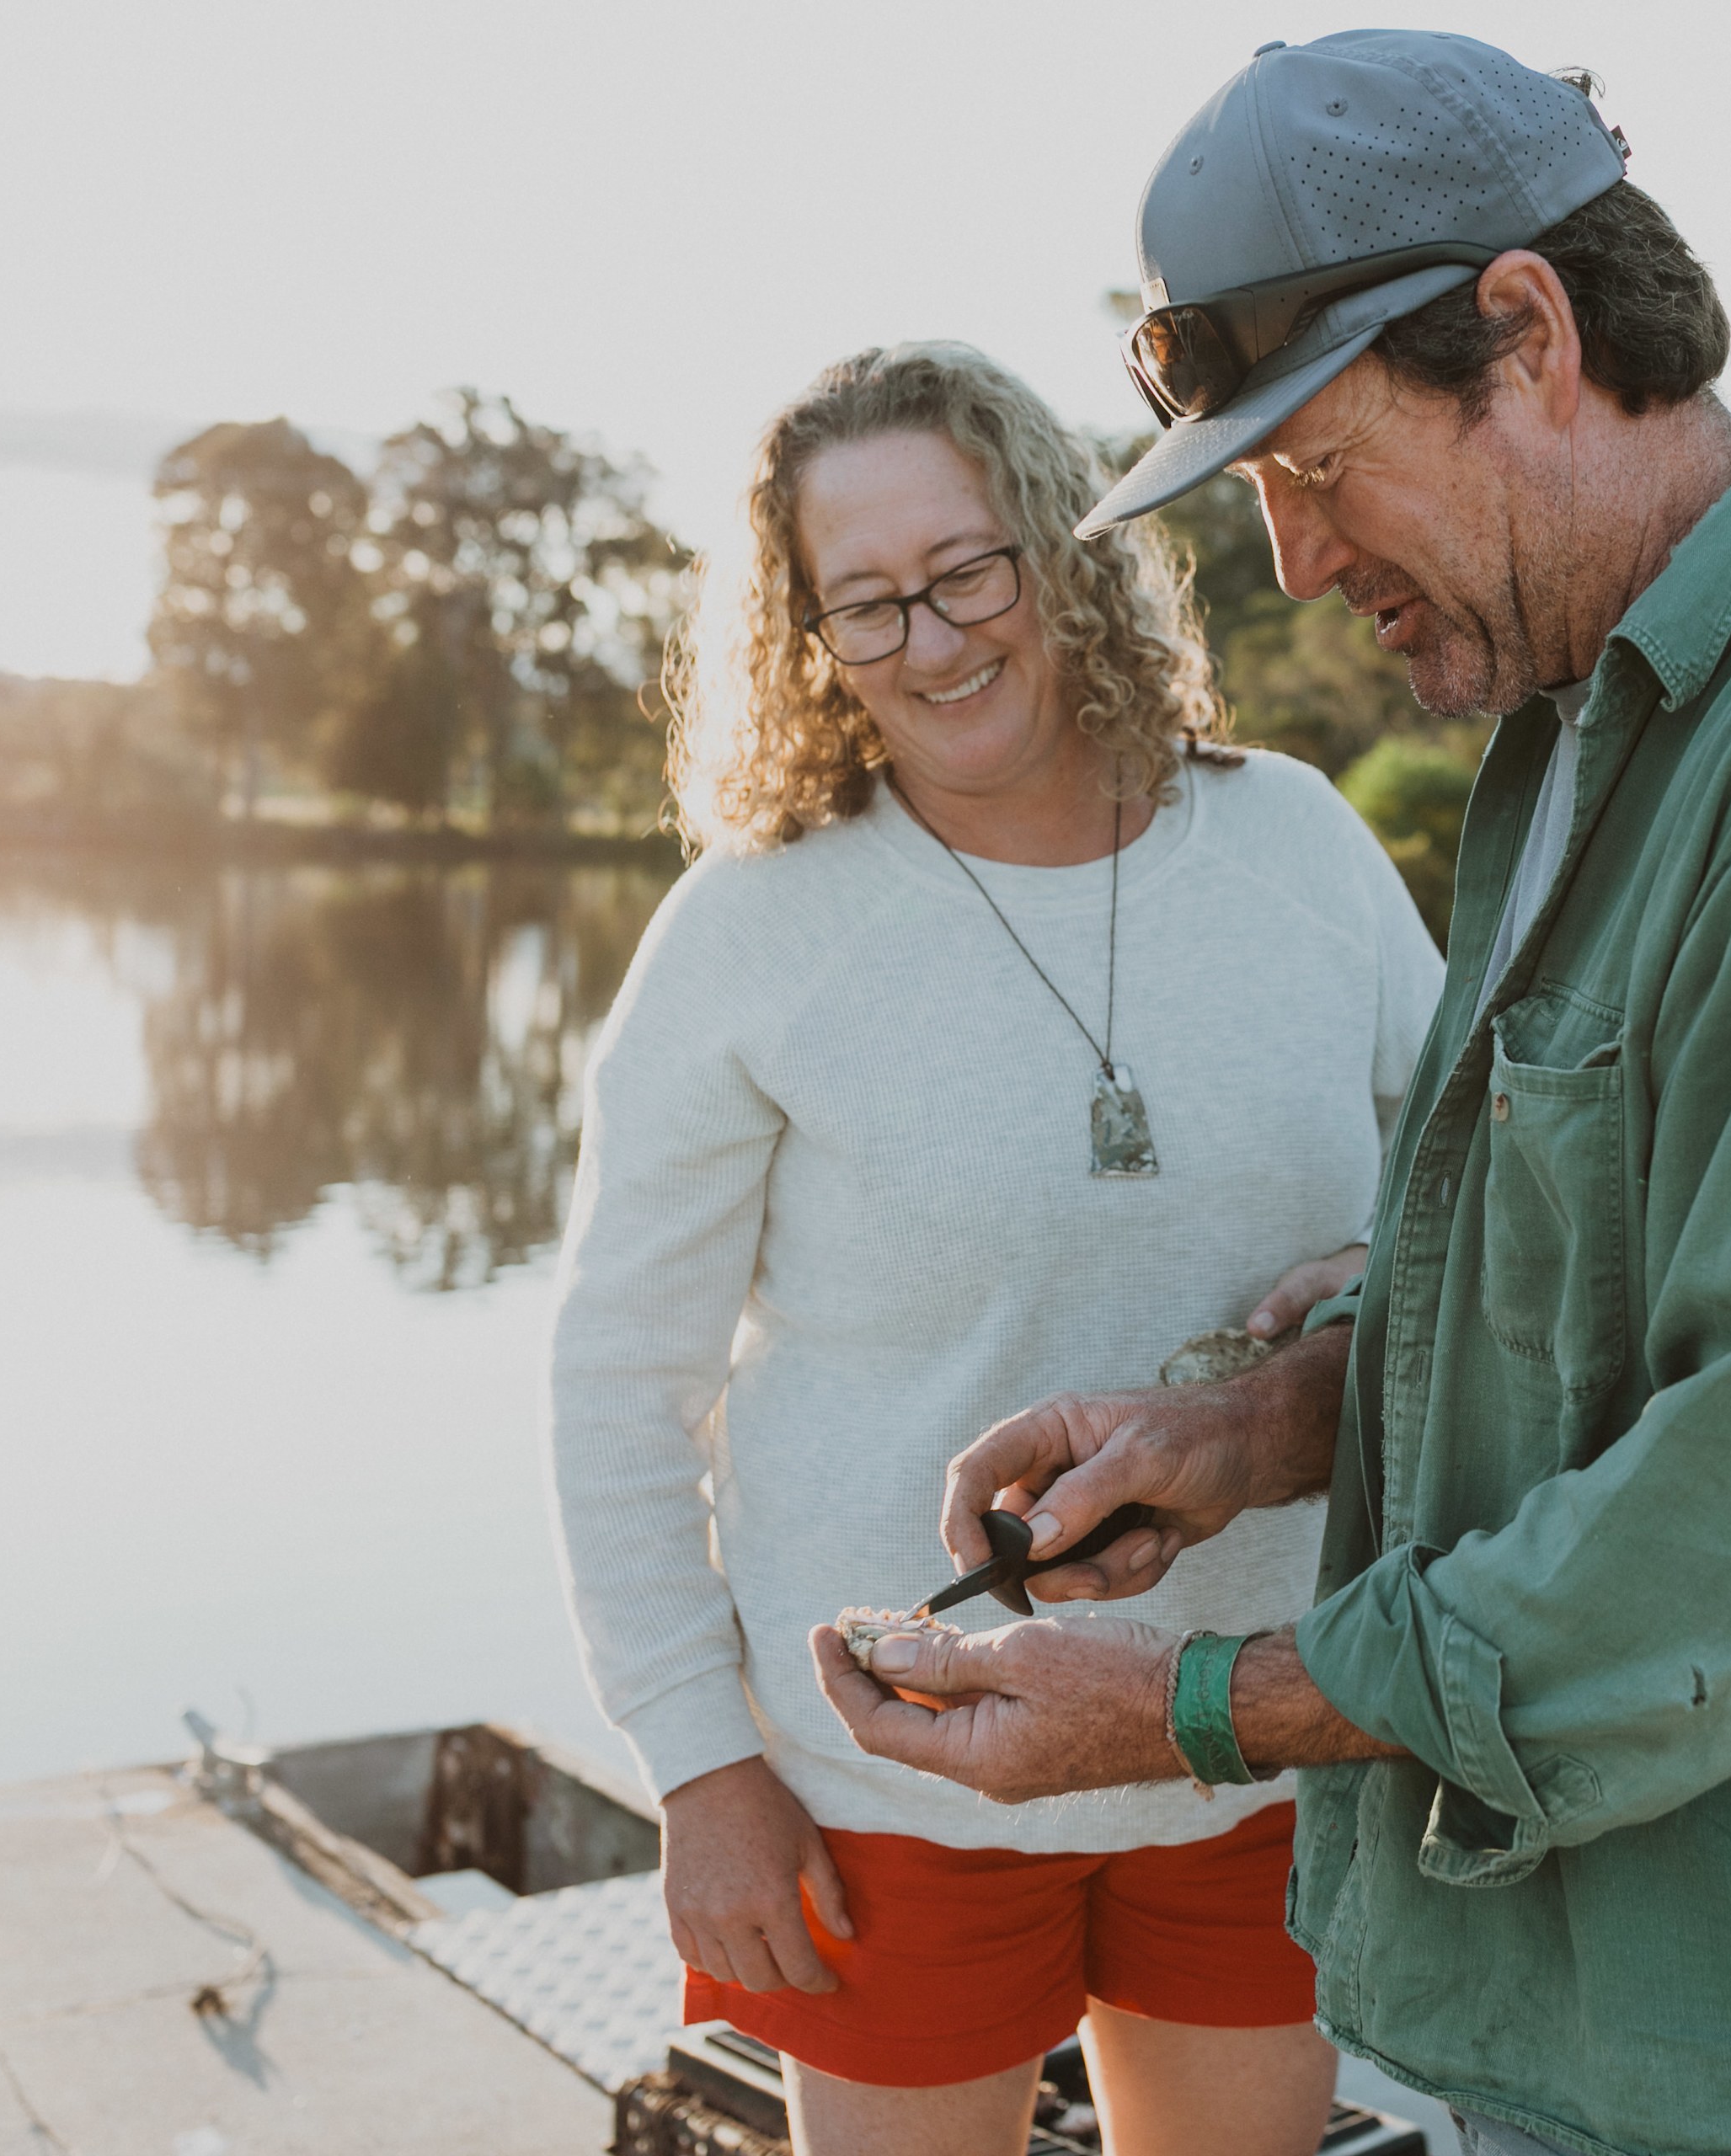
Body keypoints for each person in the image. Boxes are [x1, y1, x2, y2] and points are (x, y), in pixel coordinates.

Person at [815, 35, 1731, 2156]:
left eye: (1315, 466)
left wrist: (1202, 1706)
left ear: (1527, 333)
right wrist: (1247, 1430)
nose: (1292, 564)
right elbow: (1603, 1305)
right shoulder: (1591, 729)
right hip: (1637, 2044)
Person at [547, 342, 1443, 2156]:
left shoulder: (1301, 846)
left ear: (1064, 548)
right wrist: (703, 1768)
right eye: (864, 603)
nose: (933, 643)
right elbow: (617, 1385)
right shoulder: (753, 926)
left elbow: (1480, 1210)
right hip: (894, 1775)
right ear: (809, 633)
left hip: (1252, 1736)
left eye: (966, 572)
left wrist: (1357, 1290)